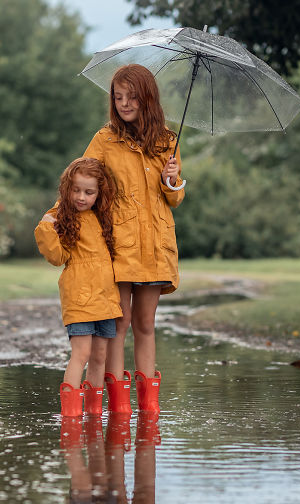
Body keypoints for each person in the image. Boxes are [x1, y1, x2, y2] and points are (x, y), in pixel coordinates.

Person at [83, 63, 186, 415]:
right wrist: (58, 214)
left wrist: (172, 178)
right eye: (118, 97)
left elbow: (172, 199)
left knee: (145, 323)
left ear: (147, 97)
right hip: (120, 244)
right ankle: (118, 407)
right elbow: (83, 180)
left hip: (156, 245)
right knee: (119, 322)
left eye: (132, 97)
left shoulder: (167, 142)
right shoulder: (105, 140)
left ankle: (148, 406)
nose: (125, 103)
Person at [35, 157, 121, 417]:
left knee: (99, 357)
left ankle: (94, 413)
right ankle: (71, 413)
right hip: (80, 297)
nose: (81, 197)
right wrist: (47, 229)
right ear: (66, 189)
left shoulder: (102, 218)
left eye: (88, 192)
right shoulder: (62, 216)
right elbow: (57, 257)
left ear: (98, 193)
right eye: (76, 190)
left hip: (106, 297)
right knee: (81, 354)